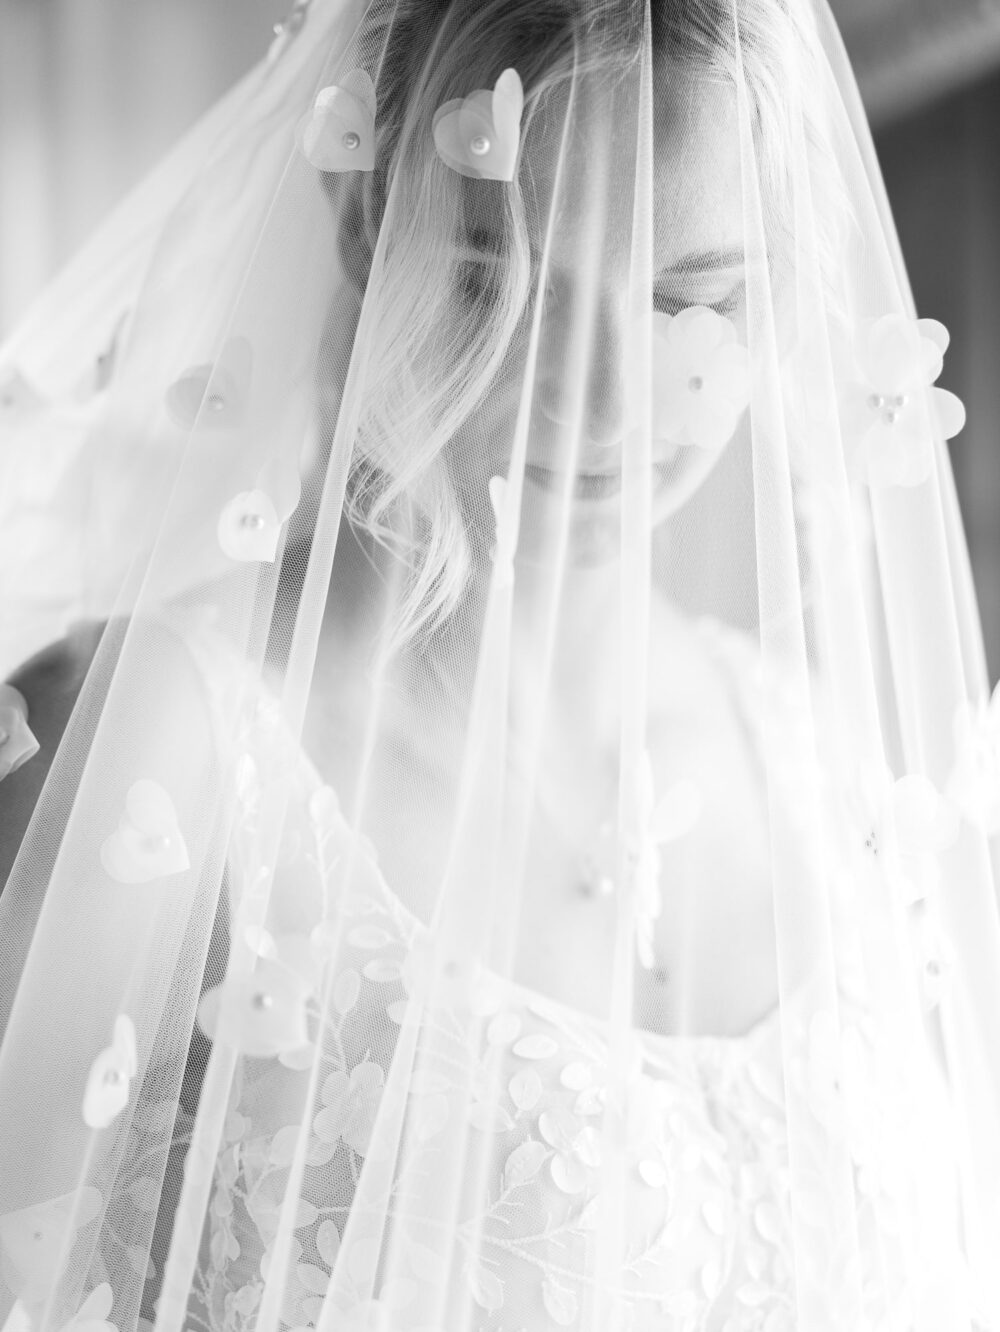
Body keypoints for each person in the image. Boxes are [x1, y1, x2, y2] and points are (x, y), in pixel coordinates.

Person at [1, 0, 999, 1329]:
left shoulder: (815, 764)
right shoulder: (155, 755)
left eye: (689, 296)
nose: (598, 394)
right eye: (500, 272)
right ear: (362, 218)